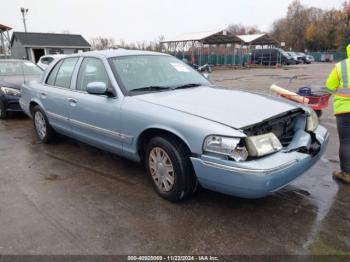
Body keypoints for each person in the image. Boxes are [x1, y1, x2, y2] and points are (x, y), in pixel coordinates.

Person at [326, 44, 350, 183]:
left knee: (346, 142)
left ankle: (346, 173)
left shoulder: (341, 66)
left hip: (344, 110)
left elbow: (329, 86)